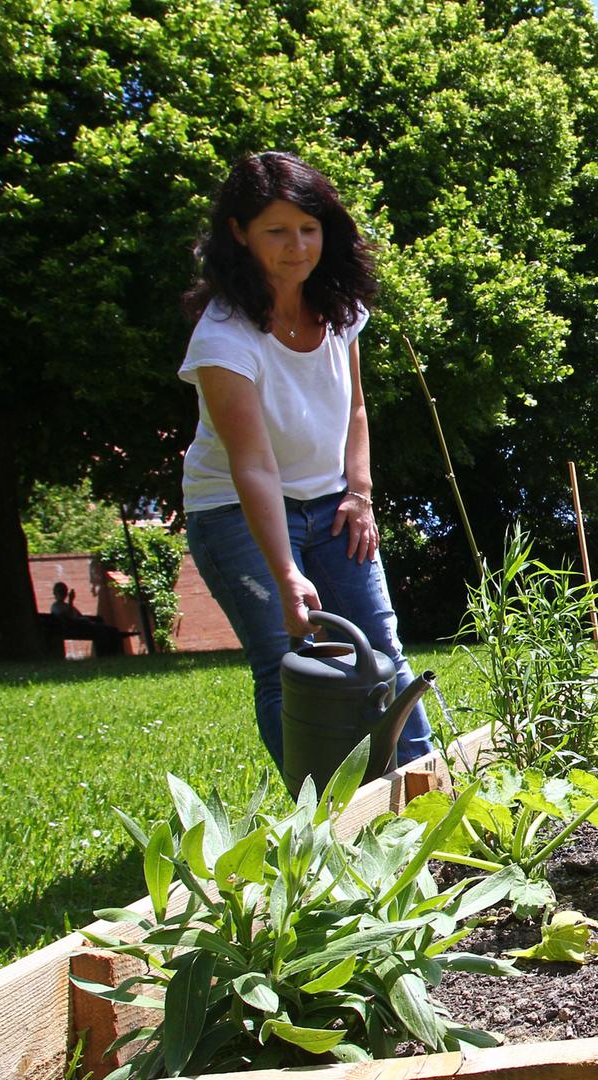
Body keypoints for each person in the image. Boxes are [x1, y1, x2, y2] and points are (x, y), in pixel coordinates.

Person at [178, 150, 431, 776]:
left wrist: (359, 494)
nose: (297, 246)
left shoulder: (338, 309)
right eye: (276, 230)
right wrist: (286, 572)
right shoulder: (224, 340)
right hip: (238, 510)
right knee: (289, 661)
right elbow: (253, 466)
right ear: (239, 233)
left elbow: (356, 412)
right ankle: (323, 822)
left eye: (309, 227)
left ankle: (428, 790)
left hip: (332, 500)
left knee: (383, 648)